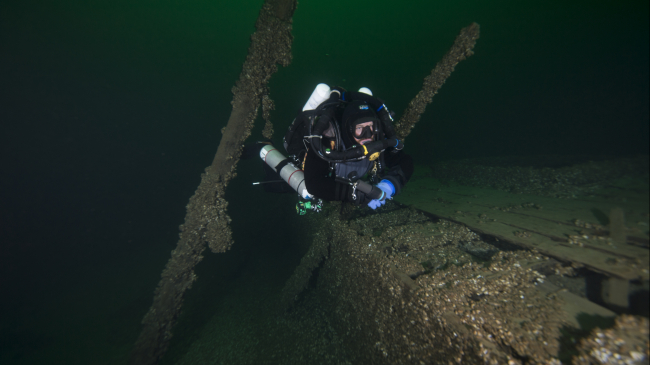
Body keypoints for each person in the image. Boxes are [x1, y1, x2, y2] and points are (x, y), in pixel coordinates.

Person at [300, 88, 414, 209]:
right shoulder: (329, 141)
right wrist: (354, 193)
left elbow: (406, 162)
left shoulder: (377, 140)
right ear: (348, 129)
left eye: (371, 126)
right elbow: (314, 184)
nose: (367, 134)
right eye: (359, 128)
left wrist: (389, 186)